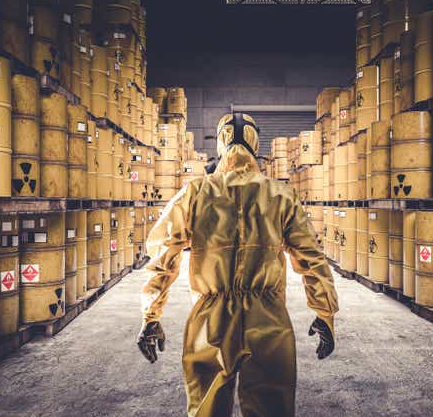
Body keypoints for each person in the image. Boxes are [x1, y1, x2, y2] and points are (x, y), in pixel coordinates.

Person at [137, 113, 339, 417]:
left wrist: (150, 315)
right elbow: (312, 259)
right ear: (257, 144)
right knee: (272, 409)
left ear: (220, 142)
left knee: (206, 409)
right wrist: (325, 312)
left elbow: (163, 254)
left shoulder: (195, 193)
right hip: (268, 320)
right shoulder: (281, 195)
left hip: (210, 322)